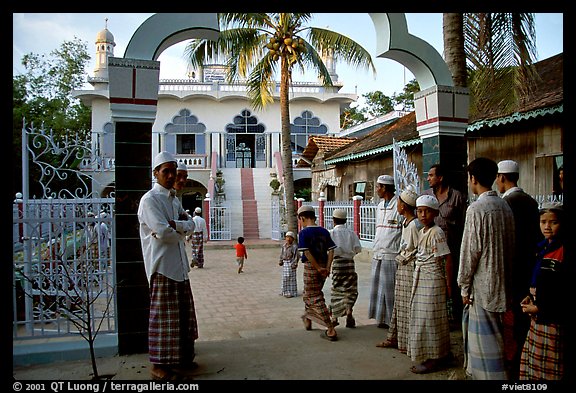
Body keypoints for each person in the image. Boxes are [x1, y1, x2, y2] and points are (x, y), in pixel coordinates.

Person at [137, 151, 198, 381]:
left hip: (180, 267)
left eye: (174, 170)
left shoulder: (173, 199)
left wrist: (178, 226)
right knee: (163, 319)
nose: (172, 175)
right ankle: (158, 367)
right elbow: (163, 232)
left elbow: (191, 224)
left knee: (181, 317)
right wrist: (179, 231)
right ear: (156, 173)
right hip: (162, 267)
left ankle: (180, 360)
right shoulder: (150, 200)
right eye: (166, 171)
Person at [458, 157, 515, 380]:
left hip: (483, 287)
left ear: (473, 178)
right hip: (504, 283)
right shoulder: (504, 205)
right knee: (499, 340)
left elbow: (470, 252)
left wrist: (463, 286)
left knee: (485, 345)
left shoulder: (476, 209)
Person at [496, 159, 541, 379]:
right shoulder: (531, 202)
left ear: (502, 178)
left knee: (512, 317)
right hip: (529, 266)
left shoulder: (507, 203)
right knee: (524, 315)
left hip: (512, 267)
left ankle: (513, 363)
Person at [519, 202, 566, 380]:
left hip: (553, 318)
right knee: (534, 366)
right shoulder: (542, 248)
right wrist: (530, 297)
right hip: (538, 315)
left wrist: (540, 308)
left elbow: (561, 291)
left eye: (553, 222)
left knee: (551, 368)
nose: (547, 227)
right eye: (543, 221)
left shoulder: (561, 251)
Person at [407, 194, 453, 374]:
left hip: (433, 280)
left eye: (427, 211)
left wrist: (449, 285)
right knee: (422, 318)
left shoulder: (437, 232)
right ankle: (434, 353)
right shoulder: (422, 231)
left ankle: (437, 357)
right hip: (421, 279)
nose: (423, 215)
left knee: (432, 319)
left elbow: (447, 259)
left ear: (434, 213)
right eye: (419, 211)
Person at [376, 186, 421, 354]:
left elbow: (417, 249)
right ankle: (395, 338)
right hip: (402, 267)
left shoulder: (415, 225)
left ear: (404, 206)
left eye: (400, 202)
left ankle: (407, 342)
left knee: (407, 307)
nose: (398, 205)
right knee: (399, 307)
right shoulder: (406, 222)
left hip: (409, 269)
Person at [422, 163, 467, 327]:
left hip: (450, 248)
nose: (428, 178)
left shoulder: (457, 197)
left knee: (452, 283)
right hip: (430, 249)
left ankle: (453, 317)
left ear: (440, 178)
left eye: (431, 175)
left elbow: (463, 224)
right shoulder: (426, 196)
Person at [297, 204, 338, 341]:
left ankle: (330, 327)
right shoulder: (324, 231)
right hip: (323, 266)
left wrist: (317, 268)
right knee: (310, 293)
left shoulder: (304, 233)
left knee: (313, 296)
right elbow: (331, 250)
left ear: (302, 218)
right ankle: (308, 318)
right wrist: (327, 267)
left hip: (312, 267)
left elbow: (306, 252)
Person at [368, 174, 403, 329]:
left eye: (378, 187)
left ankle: (392, 320)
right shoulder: (380, 206)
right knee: (378, 288)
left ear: (384, 188)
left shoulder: (398, 205)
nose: (376, 190)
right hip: (378, 252)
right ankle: (381, 318)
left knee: (390, 289)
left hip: (391, 253)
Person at [328, 208, 362, 329]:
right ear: (345, 220)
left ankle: (334, 317)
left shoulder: (331, 233)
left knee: (336, 289)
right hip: (349, 264)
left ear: (333, 220)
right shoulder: (351, 233)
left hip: (337, 264)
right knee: (350, 289)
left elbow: (329, 251)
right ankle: (348, 311)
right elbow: (358, 249)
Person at [278, 231, 299, 298]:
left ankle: (292, 292)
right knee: (285, 278)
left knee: (291, 278)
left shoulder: (294, 247)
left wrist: (295, 263)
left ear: (293, 239)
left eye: (290, 237)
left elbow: (296, 256)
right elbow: (282, 254)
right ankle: (284, 291)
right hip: (285, 263)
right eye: (287, 237)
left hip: (291, 263)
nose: (288, 239)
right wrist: (280, 260)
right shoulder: (284, 246)